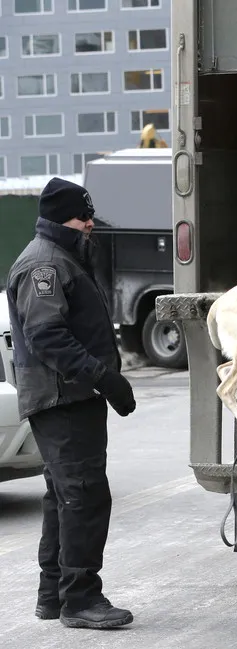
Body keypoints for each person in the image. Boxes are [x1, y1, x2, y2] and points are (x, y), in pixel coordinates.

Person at [6, 177, 137, 628]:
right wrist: (105, 378)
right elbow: (47, 335)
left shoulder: (62, 257)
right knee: (83, 496)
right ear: (65, 217)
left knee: (63, 496)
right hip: (62, 398)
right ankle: (80, 599)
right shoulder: (43, 264)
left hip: (73, 395)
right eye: (84, 217)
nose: (90, 225)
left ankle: (54, 595)